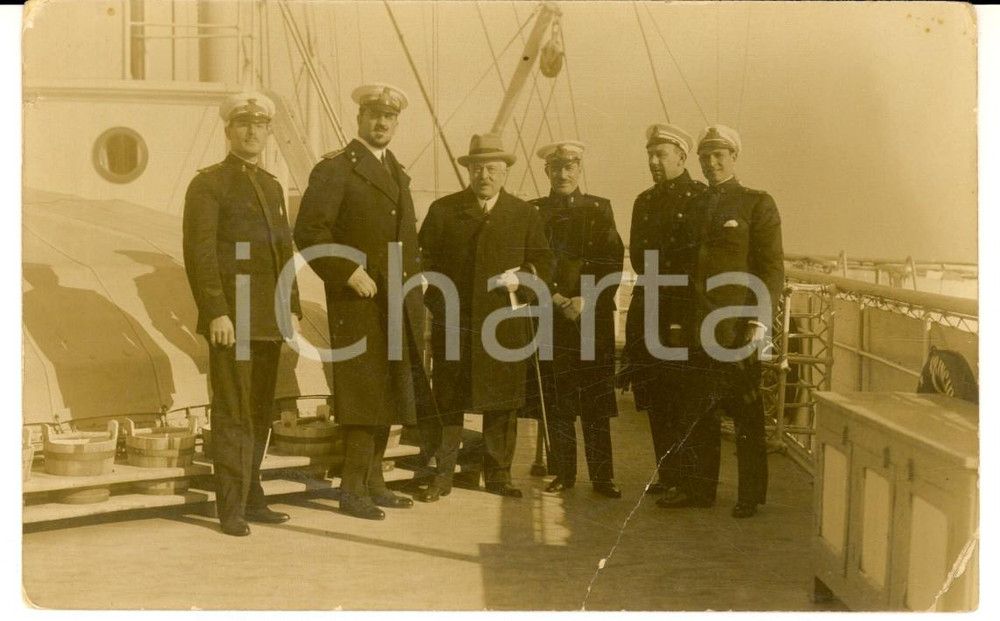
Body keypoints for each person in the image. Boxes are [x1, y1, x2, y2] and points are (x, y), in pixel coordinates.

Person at [293, 84, 432, 520]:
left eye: (389, 116)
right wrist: (347, 272)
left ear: (396, 122)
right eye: (374, 114)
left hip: (398, 300)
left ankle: (374, 482)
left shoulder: (397, 172)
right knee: (363, 394)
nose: (381, 122)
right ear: (359, 119)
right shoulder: (336, 169)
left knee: (389, 390)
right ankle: (352, 489)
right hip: (358, 302)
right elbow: (309, 232)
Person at [182, 92, 300, 536]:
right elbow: (200, 254)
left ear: (268, 132)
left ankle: (252, 495)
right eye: (243, 124)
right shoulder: (209, 184)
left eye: (260, 125)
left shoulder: (271, 185)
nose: (252, 132)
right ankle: (229, 506)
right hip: (232, 321)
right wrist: (216, 311)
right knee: (232, 412)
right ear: (229, 130)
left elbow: (283, 251)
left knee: (260, 411)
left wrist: (290, 306)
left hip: (268, 320)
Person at [416, 133, 553, 502]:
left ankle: (498, 475)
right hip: (455, 323)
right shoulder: (443, 211)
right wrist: (440, 305)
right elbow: (424, 263)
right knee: (449, 399)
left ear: (505, 172)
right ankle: (443, 474)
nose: (484, 176)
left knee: (503, 402)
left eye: (492, 169)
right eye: (477, 169)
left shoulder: (524, 214)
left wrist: (521, 279)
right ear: (468, 171)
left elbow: (544, 263)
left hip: (504, 324)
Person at [676, 124, 784, 518]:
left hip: (737, 325)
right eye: (705, 156)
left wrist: (759, 321)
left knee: (746, 414)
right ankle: (701, 489)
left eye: (719, 155)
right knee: (699, 411)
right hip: (696, 325)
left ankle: (750, 495)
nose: (711, 162)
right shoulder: (694, 206)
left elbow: (771, 270)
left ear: (734, 157)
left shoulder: (756, 204)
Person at [528, 141, 624, 498]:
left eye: (569, 167)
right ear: (546, 171)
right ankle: (563, 473)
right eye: (556, 168)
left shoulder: (600, 210)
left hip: (591, 317)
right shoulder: (534, 212)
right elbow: (530, 262)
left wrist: (586, 298)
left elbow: (611, 262)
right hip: (551, 316)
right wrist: (554, 298)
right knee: (559, 401)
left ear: (579, 169)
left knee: (596, 400)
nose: (563, 174)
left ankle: (603, 477)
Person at [620, 123, 707, 499]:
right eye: (650, 155)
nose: (654, 161)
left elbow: (697, 259)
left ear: (682, 157)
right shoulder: (644, 201)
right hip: (651, 304)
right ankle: (669, 474)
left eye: (661, 155)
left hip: (684, 309)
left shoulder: (699, 198)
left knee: (684, 396)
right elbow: (640, 258)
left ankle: (690, 479)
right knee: (656, 393)